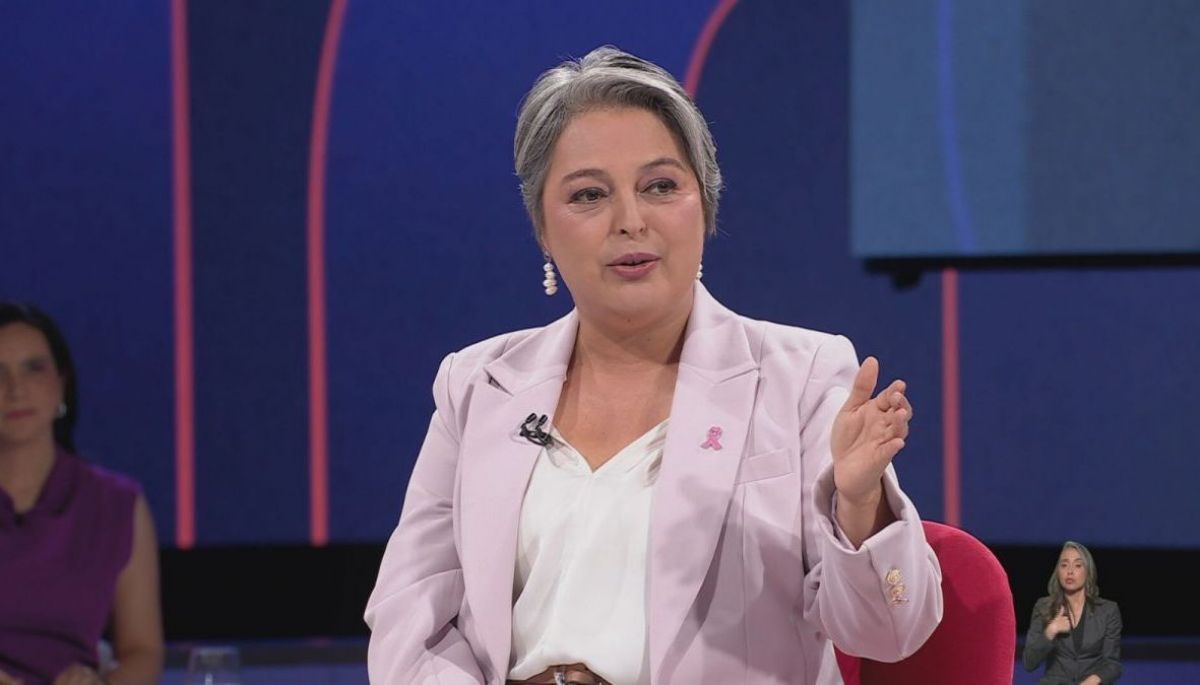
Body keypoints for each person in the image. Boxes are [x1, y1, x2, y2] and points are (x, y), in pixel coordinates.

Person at [365, 46, 942, 684]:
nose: (631, 221)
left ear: (705, 204)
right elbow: (410, 619)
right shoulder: (478, 384)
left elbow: (889, 633)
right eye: (589, 195)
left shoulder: (802, 376)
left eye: (660, 186)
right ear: (543, 229)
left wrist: (859, 505)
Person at [0, 302, 163, 685]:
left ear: (62, 383)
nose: (16, 389)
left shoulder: (115, 503)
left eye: (33, 368)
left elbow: (143, 652)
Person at [1023, 541, 1122, 684]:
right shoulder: (1044, 607)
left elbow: (1112, 665)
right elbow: (1029, 662)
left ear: (1088, 571)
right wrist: (1050, 631)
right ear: (1057, 572)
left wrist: (1092, 681)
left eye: (1077, 565)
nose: (1070, 571)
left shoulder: (1108, 610)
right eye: (1064, 565)